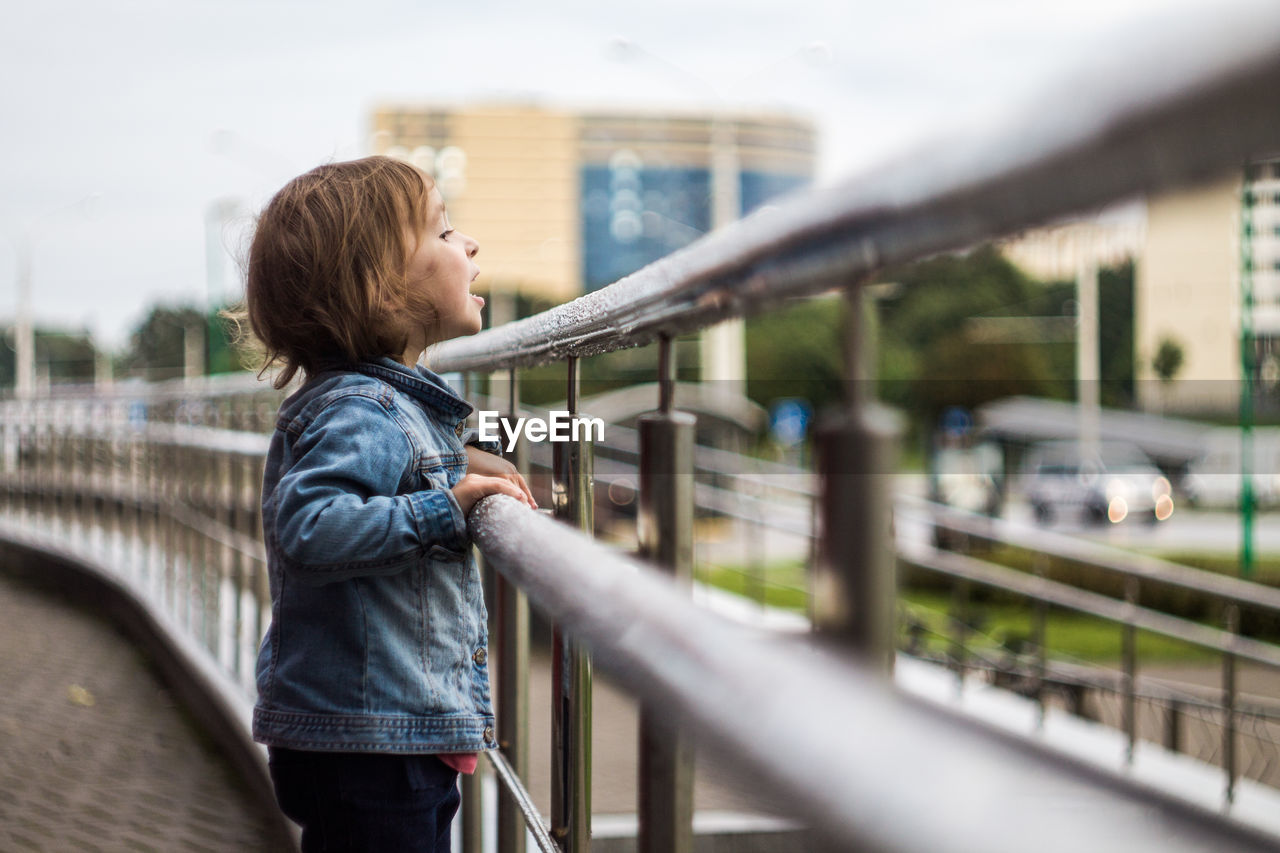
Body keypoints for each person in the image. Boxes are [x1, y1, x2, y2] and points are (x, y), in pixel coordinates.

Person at [240, 155, 536, 852]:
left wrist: (461, 463)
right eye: (443, 232)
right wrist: (447, 508)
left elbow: (390, 471)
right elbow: (310, 526)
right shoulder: (361, 406)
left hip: (380, 734)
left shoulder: (380, 403)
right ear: (377, 287)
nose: (469, 246)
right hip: (372, 747)